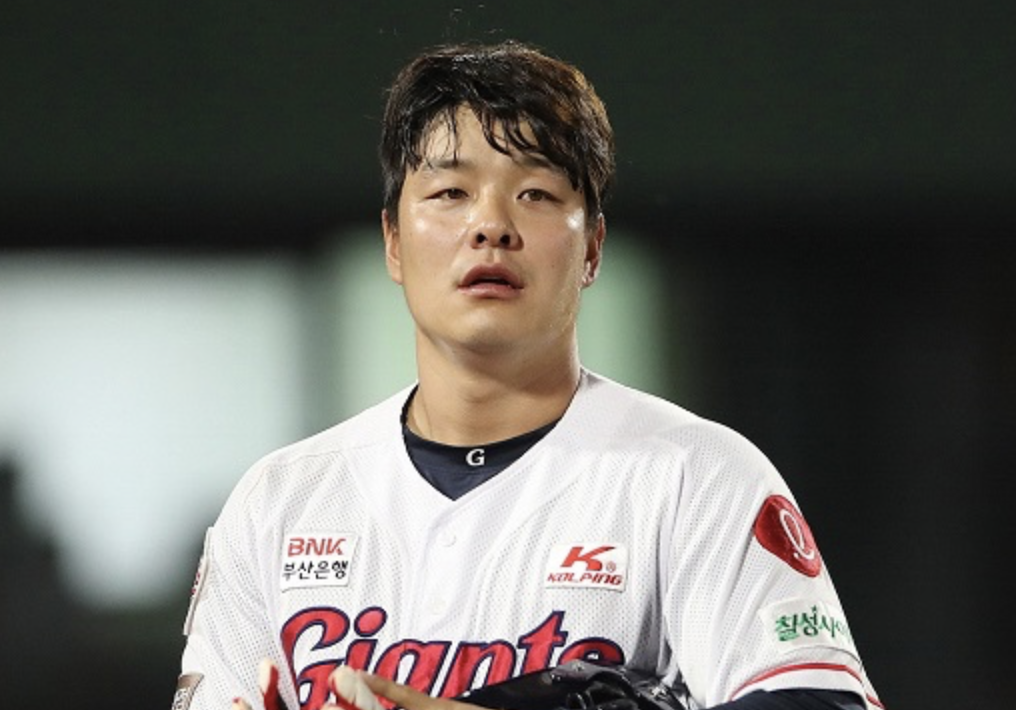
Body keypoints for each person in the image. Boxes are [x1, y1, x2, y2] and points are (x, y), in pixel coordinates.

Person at [171, 40, 883, 710]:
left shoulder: (696, 476)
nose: (491, 226)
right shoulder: (282, 501)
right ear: (393, 242)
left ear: (593, 248)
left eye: (536, 193)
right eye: (450, 193)